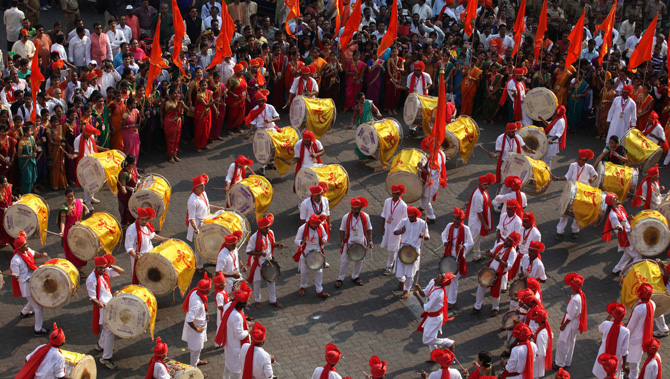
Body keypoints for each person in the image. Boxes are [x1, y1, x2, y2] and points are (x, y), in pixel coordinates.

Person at [86, 254, 124, 370]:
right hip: (103, 308)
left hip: (110, 305)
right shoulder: (91, 279)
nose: (102, 270)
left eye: (104, 267)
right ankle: (106, 358)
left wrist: (110, 265)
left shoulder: (106, 272)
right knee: (110, 331)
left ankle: (101, 345)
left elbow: (121, 271)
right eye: (100, 268)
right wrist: (100, 304)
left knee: (106, 329)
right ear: (95, 267)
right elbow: (92, 297)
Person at [552, 149, 598, 240]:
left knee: (578, 212)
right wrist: (557, 179)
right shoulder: (573, 165)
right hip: (571, 191)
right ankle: (559, 232)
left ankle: (575, 231)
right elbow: (567, 177)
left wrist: (593, 179)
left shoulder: (589, 167)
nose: (580, 161)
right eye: (580, 159)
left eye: (583, 160)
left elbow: (595, 175)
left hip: (583, 193)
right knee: (564, 212)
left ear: (586, 160)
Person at [471, 232, 520, 317]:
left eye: (509, 240)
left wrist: (500, 261)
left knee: (496, 293)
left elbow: (509, 266)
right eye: (507, 238)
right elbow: (493, 253)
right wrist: (489, 253)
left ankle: (495, 308)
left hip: (500, 274)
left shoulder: (512, 252)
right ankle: (477, 306)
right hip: (490, 271)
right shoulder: (500, 244)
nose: (506, 240)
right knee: (481, 286)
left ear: (512, 243)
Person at [10, 231, 48, 335]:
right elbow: (18, 276)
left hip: (33, 280)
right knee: (38, 307)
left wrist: (41, 255)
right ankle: (38, 329)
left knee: (33, 301)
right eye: (25, 245)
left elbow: (34, 253)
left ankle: (24, 313)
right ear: (20, 247)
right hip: (27, 286)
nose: (27, 246)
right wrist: (18, 276)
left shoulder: (26, 251)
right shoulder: (15, 261)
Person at [187, 174, 225, 272]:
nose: (203, 187)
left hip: (207, 220)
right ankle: (199, 266)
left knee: (211, 241)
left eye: (203, 184)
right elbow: (191, 218)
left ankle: (212, 259)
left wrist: (218, 208)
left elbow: (207, 205)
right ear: (196, 187)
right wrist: (196, 229)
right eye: (201, 185)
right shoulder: (192, 200)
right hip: (199, 224)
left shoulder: (203, 193)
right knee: (199, 246)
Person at [246, 213, 284, 309]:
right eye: (266, 228)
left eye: (268, 227)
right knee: (257, 282)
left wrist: (278, 245)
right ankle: (257, 300)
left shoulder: (270, 233)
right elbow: (248, 251)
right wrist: (260, 254)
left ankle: (273, 300)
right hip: (257, 262)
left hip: (269, 260)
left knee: (271, 280)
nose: (268, 229)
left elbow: (272, 243)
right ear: (260, 228)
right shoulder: (254, 237)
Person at [216, 281, 253, 379]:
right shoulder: (236, 316)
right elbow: (240, 335)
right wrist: (250, 329)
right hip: (236, 348)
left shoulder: (228, 306)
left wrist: (246, 324)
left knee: (228, 366)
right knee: (236, 372)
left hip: (229, 343)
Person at [414, 273, 456, 359]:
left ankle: (449, 342)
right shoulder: (432, 282)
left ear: (441, 283)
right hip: (431, 316)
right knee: (431, 338)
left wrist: (417, 296)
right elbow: (424, 293)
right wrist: (419, 290)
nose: (439, 275)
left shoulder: (438, 294)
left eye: (441, 277)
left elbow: (426, 307)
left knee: (426, 340)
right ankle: (435, 356)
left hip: (435, 318)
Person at [393, 206, 430, 299]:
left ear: (416, 216)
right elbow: (394, 232)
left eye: (412, 217)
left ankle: (407, 289)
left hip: (414, 250)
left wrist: (423, 236)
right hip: (403, 249)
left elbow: (428, 237)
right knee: (399, 271)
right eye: (409, 217)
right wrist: (401, 231)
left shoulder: (422, 223)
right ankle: (402, 280)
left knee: (411, 273)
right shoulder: (404, 221)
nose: (410, 219)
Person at [337, 197, 373, 288]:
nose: (356, 210)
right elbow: (342, 230)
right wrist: (341, 242)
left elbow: (369, 228)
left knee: (359, 261)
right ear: (351, 208)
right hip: (349, 242)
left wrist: (370, 240)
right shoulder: (346, 217)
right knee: (344, 261)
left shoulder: (365, 216)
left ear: (361, 208)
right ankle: (340, 278)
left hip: (361, 242)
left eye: (358, 209)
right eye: (354, 209)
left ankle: (355, 276)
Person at [125, 206, 167, 284]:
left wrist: (163, 239)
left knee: (149, 274)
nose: (144, 221)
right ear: (138, 218)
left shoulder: (146, 225)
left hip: (149, 254)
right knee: (140, 276)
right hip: (139, 257)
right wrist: (135, 256)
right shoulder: (132, 230)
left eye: (146, 219)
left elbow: (152, 235)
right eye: (142, 219)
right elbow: (129, 247)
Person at [554, 273, 587, 370]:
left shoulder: (575, 299)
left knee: (562, 343)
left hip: (570, 323)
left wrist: (564, 325)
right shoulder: (580, 295)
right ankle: (567, 361)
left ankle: (559, 363)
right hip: (574, 323)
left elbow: (571, 315)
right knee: (570, 342)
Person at [440, 207, 473, 307]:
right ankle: (445, 297)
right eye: (454, 218)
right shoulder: (449, 226)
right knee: (446, 277)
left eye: (457, 219)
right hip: (448, 254)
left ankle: (451, 301)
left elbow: (471, 243)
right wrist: (445, 241)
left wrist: (464, 247)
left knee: (453, 279)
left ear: (461, 220)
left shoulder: (466, 229)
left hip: (458, 257)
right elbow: (443, 234)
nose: (455, 220)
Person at [293, 214, 330, 298]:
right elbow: (296, 241)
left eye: (316, 226)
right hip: (306, 253)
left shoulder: (320, 227)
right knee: (304, 272)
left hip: (317, 253)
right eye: (314, 226)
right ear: (309, 223)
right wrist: (302, 241)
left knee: (319, 272)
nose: (315, 227)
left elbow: (325, 235)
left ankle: (319, 290)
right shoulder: (302, 229)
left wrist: (324, 239)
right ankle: (303, 286)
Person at [603, 193, 640, 275]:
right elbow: (618, 227)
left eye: (616, 198)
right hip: (625, 237)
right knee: (638, 255)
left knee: (627, 254)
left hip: (628, 234)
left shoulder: (620, 208)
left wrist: (628, 218)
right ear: (611, 203)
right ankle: (630, 273)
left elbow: (623, 219)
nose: (617, 199)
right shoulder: (613, 215)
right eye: (614, 199)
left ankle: (617, 269)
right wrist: (619, 227)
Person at [74, 124, 109, 210]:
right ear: (84, 132)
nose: (90, 136)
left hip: (92, 162)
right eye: (88, 134)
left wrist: (104, 149)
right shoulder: (78, 140)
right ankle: (87, 202)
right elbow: (77, 152)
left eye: (91, 134)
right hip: (84, 164)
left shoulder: (91, 137)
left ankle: (91, 197)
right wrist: (73, 156)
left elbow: (94, 147)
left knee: (94, 180)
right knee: (87, 183)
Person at [181, 273, 212, 368]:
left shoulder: (196, 292)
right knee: (196, 349)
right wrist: (197, 328)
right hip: (196, 330)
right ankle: (194, 369)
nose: (211, 289)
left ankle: (197, 361)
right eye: (210, 287)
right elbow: (189, 319)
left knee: (198, 348)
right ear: (206, 290)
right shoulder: (197, 302)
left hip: (200, 325)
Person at [626, 283, 656, 378]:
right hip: (646, 336)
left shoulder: (639, 308)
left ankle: (633, 376)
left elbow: (630, 327)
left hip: (636, 338)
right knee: (636, 358)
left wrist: (625, 336)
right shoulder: (652, 304)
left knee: (634, 360)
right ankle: (632, 371)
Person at [592, 302, 629, 379]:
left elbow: (600, 328)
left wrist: (610, 315)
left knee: (602, 373)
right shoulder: (625, 331)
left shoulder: (606, 324)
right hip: (616, 358)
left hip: (603, 354)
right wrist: (623, 365)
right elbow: (624, 351)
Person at [58, 188, 89, 274]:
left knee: (81, 248)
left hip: (78, 229)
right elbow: (63, 222)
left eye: (72, 196)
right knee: (73, 252)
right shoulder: (64, 208)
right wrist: (62, 232)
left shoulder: (77, 202)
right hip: (70, 232)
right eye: (68, 197)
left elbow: (83, 205)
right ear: (65, 197)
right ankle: (75, 270)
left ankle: (79, 269)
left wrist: (86, 209)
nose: (70, 199)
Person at [467, 173, 495, 261]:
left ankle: (477, 256)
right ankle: (458, 259)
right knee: (471, 243)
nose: (487, 186)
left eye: (488, 184)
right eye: (485, 184)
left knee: (477, 241)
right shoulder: (479, 196)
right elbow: (479, 213)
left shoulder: (482, 191)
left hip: (477, 222)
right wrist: (485, 225)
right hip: (476, 223)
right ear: (480, 184)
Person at [419, 137, 447, 224]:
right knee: (425, 197)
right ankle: (422, 207)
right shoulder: (441, 152)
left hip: (432, 182)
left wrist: (420, 167)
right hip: (435, 180)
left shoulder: (434, 159)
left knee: (426, 200)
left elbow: (429, 173)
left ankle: (431, 217)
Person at [381, 184, 408, 275]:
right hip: (387, 227)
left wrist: (402, 232)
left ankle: (389, 266)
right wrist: (383, 227)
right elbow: (384, 215)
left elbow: (405, 221)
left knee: (392, 248)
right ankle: (395, 262)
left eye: (397, 194)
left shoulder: (403, 205)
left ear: (400, 194)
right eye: (393, 193)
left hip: (396, 230)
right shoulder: (387, 201)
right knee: (391, 247)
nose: (395, 196)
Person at [194, 79, 217, 153]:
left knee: (207, 129)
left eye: (205, 85)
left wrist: (216, 109)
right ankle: (197, 146)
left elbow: (211, 102)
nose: (204, 87)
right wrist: (215, 101)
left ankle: (203, 144)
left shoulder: (210, 92)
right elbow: (206, 105)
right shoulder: (199, 95)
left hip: (207, 113)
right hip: (200, 113)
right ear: (200, 87)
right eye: (202, 85)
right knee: (200, 130)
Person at [116, 154, 137, 228]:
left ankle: (131, 222)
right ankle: (127, 223)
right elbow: (123, 185)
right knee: (127, 209)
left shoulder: (132, 169)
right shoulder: (124, 174)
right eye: (135, 161)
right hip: (126, 195)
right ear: (131, 163)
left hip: (132, 193)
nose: (135, 162)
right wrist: (123, 189)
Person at [532, 308, 553, 377]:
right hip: (540, 358)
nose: (534, 319)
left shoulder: (541, 335)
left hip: (538, 359)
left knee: (534, 375)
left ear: (539, 321)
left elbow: (542, 353)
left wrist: (533, 350)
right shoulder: (546, 328)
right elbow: (551, 336)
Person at [17, 126, 37, 194]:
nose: (31, 132)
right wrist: (30, 155)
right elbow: (19, 155)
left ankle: (30, 192)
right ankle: (25, 193)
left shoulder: (32, 138)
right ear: (25, 133)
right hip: (25, 162)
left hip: (31, 161)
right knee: (27, 178)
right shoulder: (22, 142)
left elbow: (34, 146)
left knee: (33, 177)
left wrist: (36, 148)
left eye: (31, 131)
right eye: (29, 131)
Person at [0, 175, 16, 246]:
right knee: (5, 228)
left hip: (9, 210)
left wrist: (13, 198)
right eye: (5, 183)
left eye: (7, 182)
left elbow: (10, 195)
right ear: (0, 185)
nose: (7, 183)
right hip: (1, 213)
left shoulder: (8, 187)